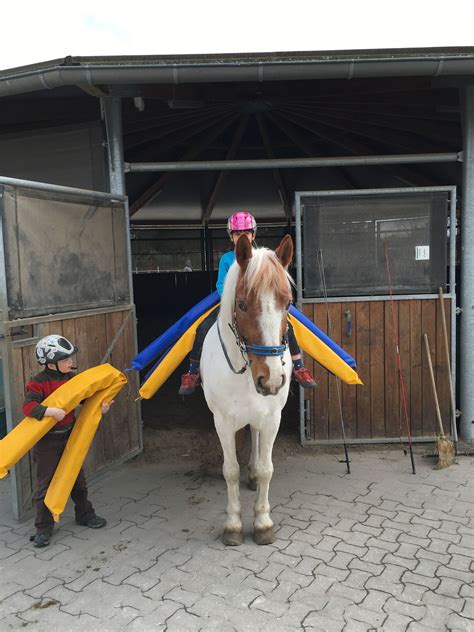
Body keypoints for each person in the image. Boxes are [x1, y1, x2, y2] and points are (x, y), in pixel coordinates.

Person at [179, 211, 317, 395]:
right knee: (203, 328)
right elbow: (221, 284)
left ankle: (299, 367)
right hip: (233, 303)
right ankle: (193, 372)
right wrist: (231, 297)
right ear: (231, 237)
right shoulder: (227, 259)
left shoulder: (262, 258)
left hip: (256, 304)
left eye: (246, 233)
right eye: (237, 234)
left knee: (288, 328)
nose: (241, 237)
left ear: (254, 234)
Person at [23, 334, 112, 548]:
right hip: (47, 444)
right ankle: (43, 528)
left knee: (77, 480)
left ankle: (84, 514)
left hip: (70, 437)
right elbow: (28, 408)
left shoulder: (71, 379)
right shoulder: (37, 384)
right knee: (44, 486)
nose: (70, 362)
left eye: (70, 358)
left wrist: (100, 406)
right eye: (65, 360)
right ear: (50, 363)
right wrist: (52, 411)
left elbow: (85, 398)